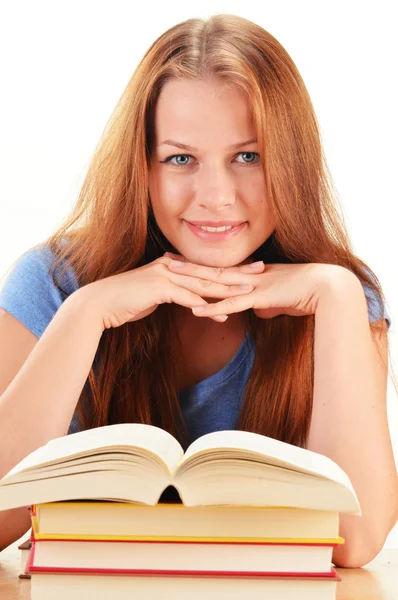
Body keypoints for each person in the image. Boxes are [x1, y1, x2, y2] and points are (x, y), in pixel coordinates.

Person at [0, 13, 396, 566]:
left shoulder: (340, 299)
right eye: (180, 158)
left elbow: (355, 542)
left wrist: (335, 294)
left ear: (292, 163)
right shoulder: (53, 283)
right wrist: (86, 312)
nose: (216, 196)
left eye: (248, 157)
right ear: (142, 166)